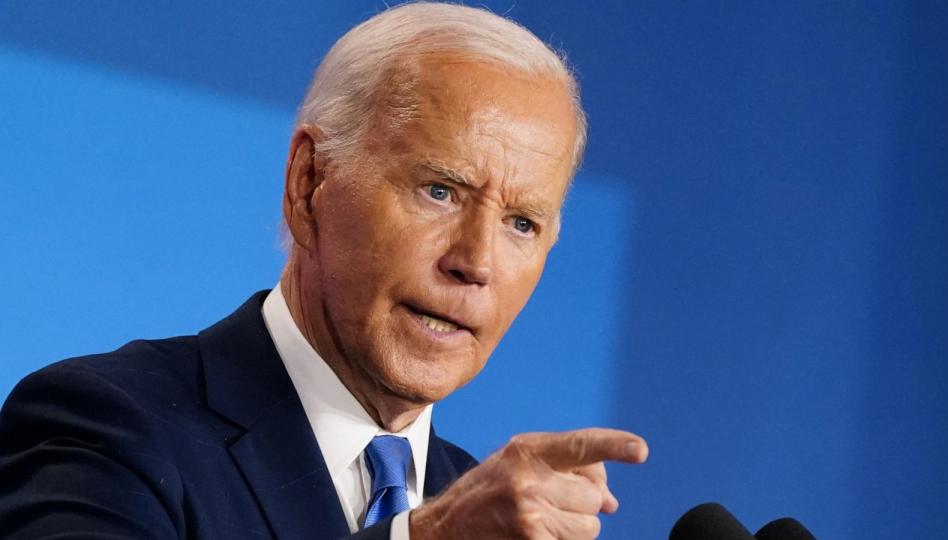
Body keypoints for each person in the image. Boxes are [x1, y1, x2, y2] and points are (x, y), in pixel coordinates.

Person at [0, 3, 647, 539]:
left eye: (522, 224)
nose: (475, 262)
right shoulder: (108, 427)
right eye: (440, 191)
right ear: (310, 183)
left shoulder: (482, 512)